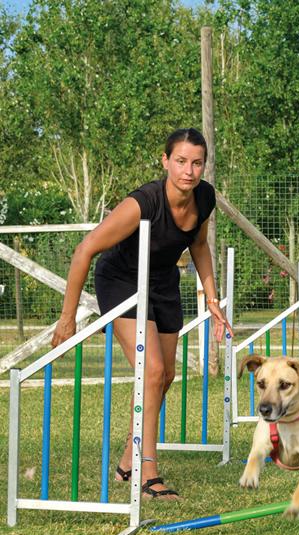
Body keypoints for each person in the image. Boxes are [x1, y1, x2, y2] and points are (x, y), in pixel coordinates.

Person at [51, 127, 232, 500]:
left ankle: (127, 459)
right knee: (150, 369)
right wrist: (67, 318)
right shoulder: (143, 202)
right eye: (181, 161)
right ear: (166, 161)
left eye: (197, 163)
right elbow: (84, 250)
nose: (189, 171)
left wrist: (213, 302)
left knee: (165, 375)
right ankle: (147, 472)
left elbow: (199, 246)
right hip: (121, 279)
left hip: (162, 282)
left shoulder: (205, 198)